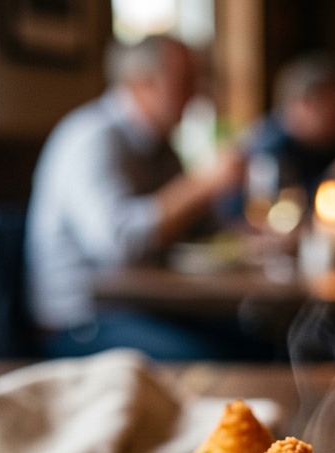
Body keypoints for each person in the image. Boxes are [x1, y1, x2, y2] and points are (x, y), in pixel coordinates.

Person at [25, 36, 244, 360]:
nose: (197, 95)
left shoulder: (161, 146)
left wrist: (248, 232)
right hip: (80, 322)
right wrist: (204, 183)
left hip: (146, 308)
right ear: (143, 84)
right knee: (210, 359)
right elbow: (119, 243)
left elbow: (198, 228)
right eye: (186, 81)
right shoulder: (91, 138)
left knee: (255, 338)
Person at [239, 52, 335, 205]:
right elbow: (275, 211)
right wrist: (334, 181)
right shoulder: (269, 145)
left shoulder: (321, 143)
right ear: (306, 103)